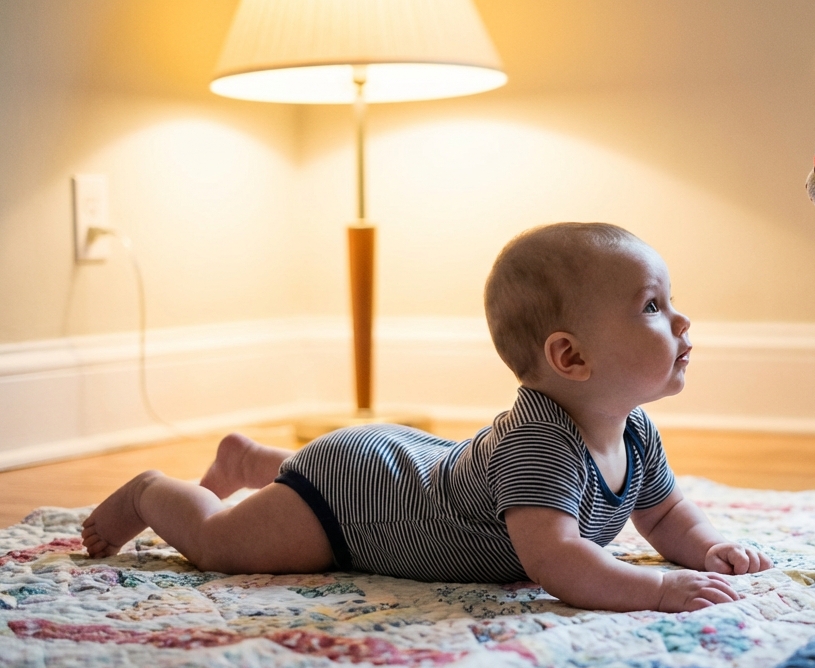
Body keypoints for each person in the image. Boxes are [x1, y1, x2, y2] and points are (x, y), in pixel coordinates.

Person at [81, 223, 772, 613]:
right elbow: (557, 560)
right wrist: (653, 588)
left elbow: (666, 515)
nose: (680, 318)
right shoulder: (541, 446)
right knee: (223, 545)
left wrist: (704, 547)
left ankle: (254, 463)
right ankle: (151, 491)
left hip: (394, 467)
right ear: (571, 357)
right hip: (353, 502)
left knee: (295, 490)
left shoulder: (633, 431)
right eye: (652, 306)